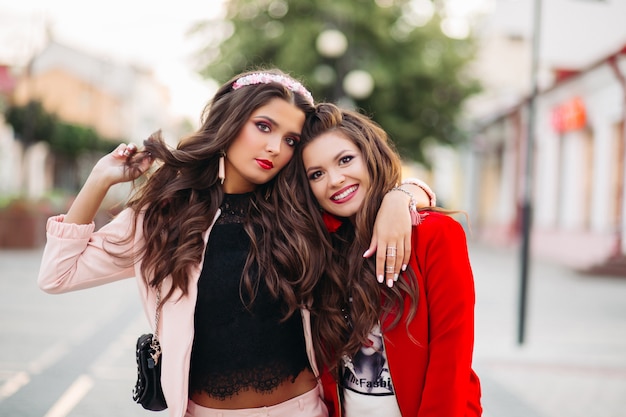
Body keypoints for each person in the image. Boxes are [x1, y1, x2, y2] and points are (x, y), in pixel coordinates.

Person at [36, 69, 433, 417]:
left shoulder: (301, 208)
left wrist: (403, 195)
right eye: (264, 127)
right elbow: (58, 274)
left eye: (291, 140)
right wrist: (99, 179)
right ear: (231, 120)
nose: (275, 148)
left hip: (302, 409)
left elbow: (365, 193)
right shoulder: (166, 212)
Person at [294, 103, 482, 417]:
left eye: (345, 160)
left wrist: (402, 194)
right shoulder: (320, 249)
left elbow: (452, 355)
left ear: (370, 156)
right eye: (317, 174)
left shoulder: (435, 235)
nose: (335, 179)